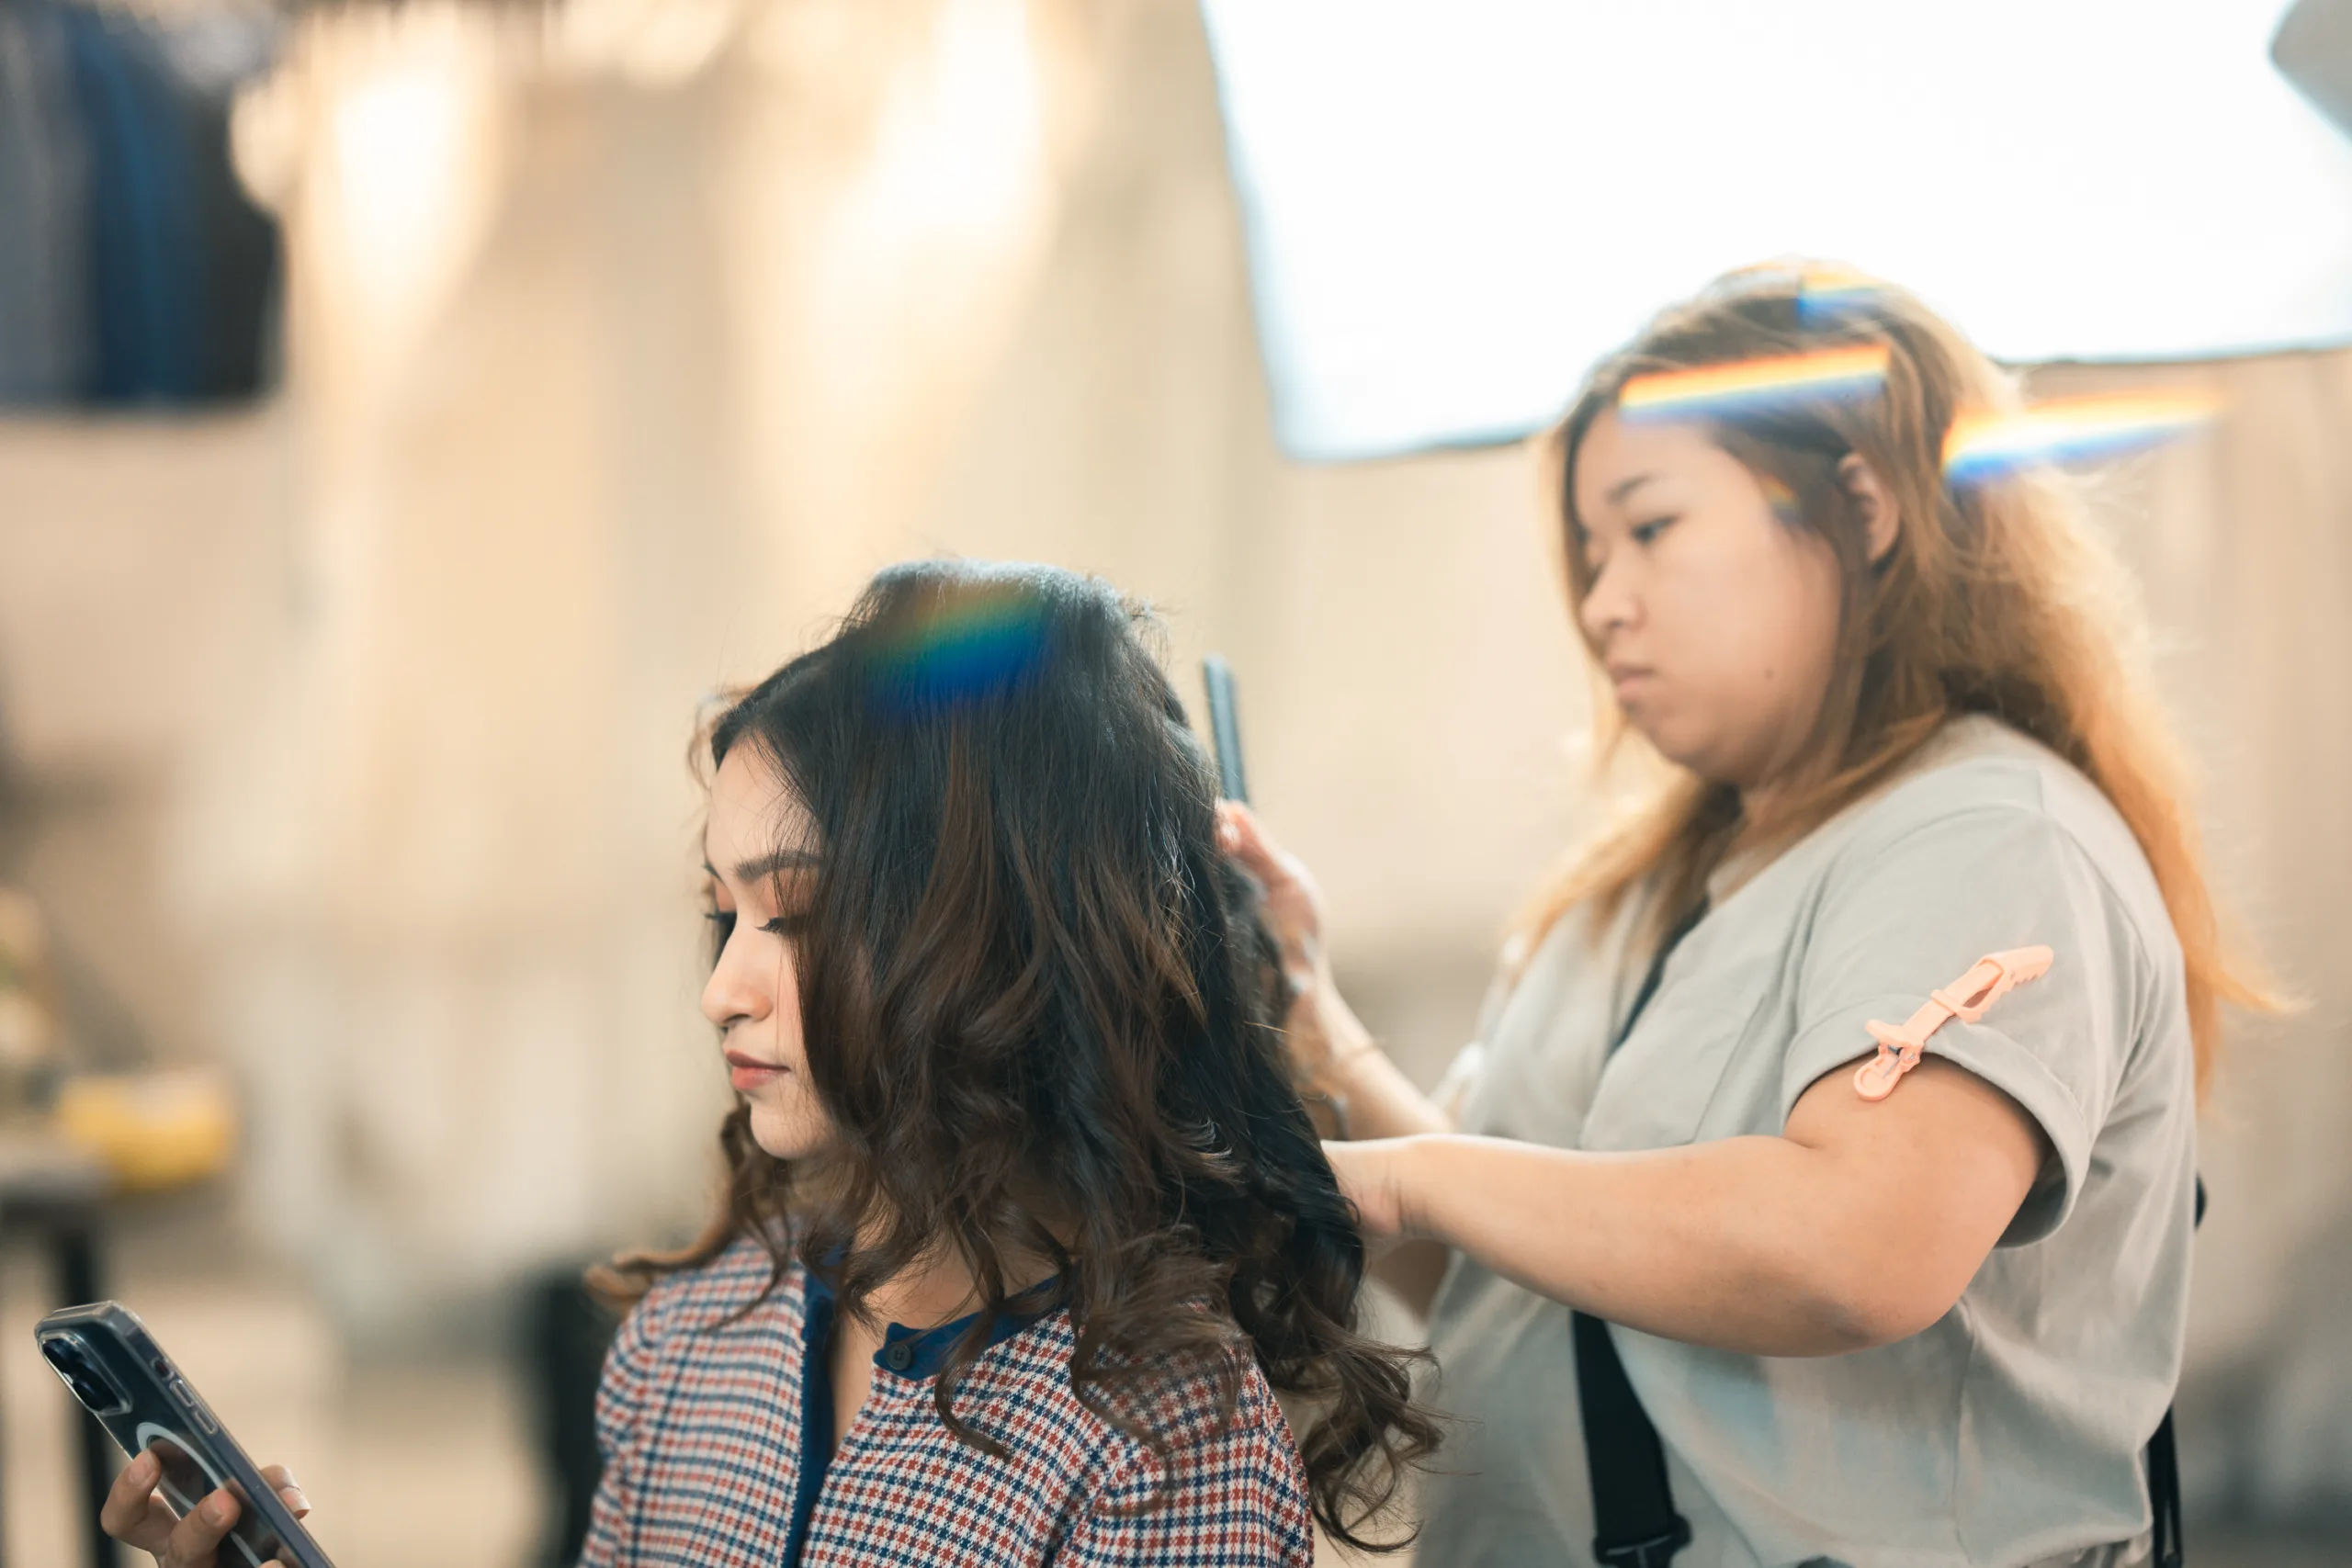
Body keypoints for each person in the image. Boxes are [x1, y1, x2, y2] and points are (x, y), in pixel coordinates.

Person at [1220, 264, 2272, 1568]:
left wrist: (1404, 1174)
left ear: (1864, 506)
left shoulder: (1990, 830)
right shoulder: (1630, 896)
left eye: (1650, 528)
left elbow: (1861, 1245)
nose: (1602, 600)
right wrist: (1310, 1008)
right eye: (1592, 555)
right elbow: (1504, 1283)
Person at [102, 560, 1436, 1568]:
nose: (721, 987)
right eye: (721, 911)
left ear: (996, 943)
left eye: (792, 915)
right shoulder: (695, 1338)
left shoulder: (1163, 1438)